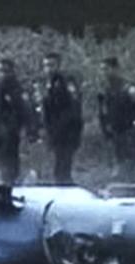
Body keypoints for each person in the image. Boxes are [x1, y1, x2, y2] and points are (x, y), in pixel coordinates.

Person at [39, 52, 83, 185]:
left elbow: (73, 108)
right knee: (58, 165)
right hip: (55, 131)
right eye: (46, 65)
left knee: (63, 166)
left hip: (67, 131)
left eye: (52, 65)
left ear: (58, 65)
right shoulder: (49, 83)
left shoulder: (66, 81)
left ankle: (65, 189)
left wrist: (59, 127)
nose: (48, 69)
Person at [96, 56, 135, 182]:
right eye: (102, 70)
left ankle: (129, 191)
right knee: (117, 166)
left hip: (128, 133)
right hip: (114, 134)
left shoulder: (128, 88)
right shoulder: (106, 90)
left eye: (106, 69)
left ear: (116, 69)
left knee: (128, 166)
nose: (104, 73)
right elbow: (103, 112)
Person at [0, 57, 37, 185]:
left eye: (5, 71)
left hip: (11, 131)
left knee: (9, 161)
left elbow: (26, 110)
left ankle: (9, 182)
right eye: (0, 71)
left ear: (12, 72)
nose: (2, 74)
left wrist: (30, 130)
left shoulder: (16, 89)